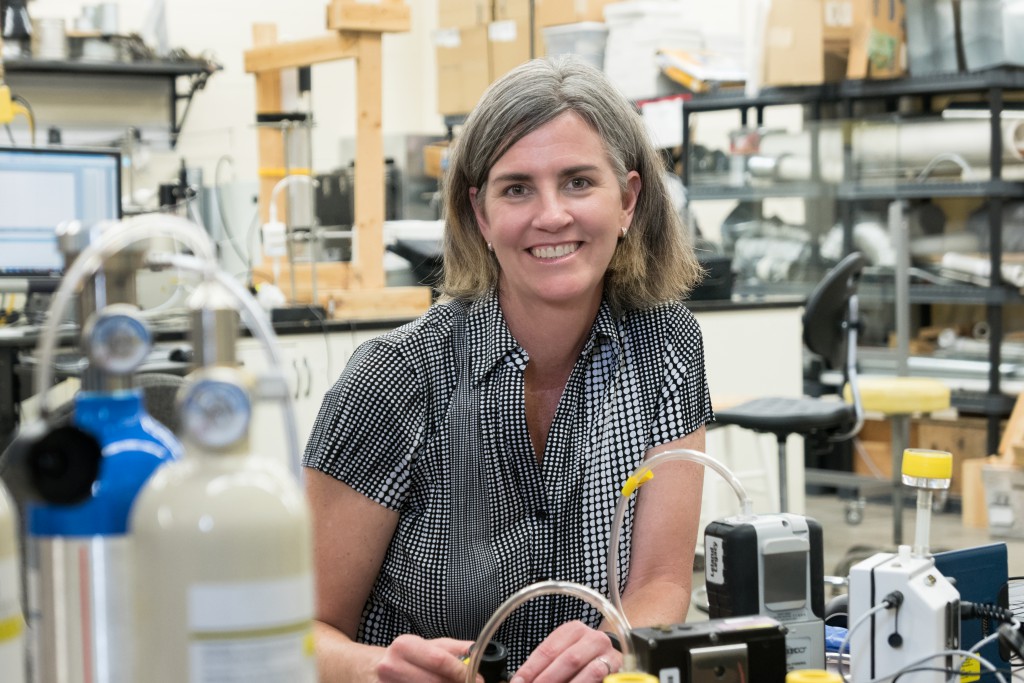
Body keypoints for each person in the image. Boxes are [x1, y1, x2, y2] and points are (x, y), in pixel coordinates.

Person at [303, 55, 713, 683]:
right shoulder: (398, 374)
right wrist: (373, 669)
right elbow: (302, 631)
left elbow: (659, 582)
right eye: (517, 188)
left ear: (629, 200)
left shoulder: (667, 347)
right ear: (480, 214)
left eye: (578, 181)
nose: (551, 215)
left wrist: (615, 649)